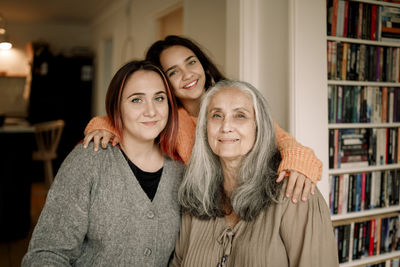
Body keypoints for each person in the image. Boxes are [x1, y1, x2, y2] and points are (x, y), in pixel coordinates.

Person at [83, 35, 322, 203]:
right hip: (208, 206)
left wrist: (297, 162)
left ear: (203, 65)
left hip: (252, 196)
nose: (187, 75)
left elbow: (283, 140)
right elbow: (124, 116)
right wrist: (101, 126)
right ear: (163, 84)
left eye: (191, 63)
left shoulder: (234, 101)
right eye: (173, 72)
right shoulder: (170, 118)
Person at [22, 60, 185, 266]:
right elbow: (47, 253)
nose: (151, 111)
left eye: (159, 98)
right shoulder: (88, 161)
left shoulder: (180, 172)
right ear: (117, 107)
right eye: (137, 100)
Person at [170, 80, 338, 267]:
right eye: (217, 115)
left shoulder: (296, 193)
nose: (226, 126)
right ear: (204, 128)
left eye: (240, 115)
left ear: (259, 127)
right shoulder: (196, 194)